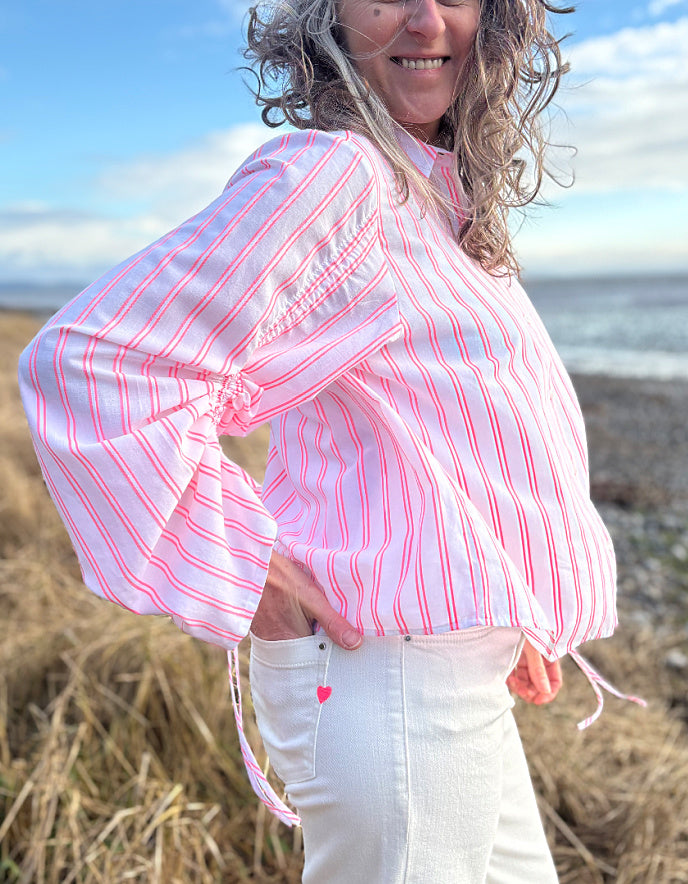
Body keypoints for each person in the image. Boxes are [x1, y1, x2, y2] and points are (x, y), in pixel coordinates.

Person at [18, 0, 644, 880]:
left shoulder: (429, 195)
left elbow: (442, 430)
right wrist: (256, 573)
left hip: (444, 673)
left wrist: (506, 593)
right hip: (387, 683)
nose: (428, 18)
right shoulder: (339, 176)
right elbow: (93, 365)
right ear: (326, 18)